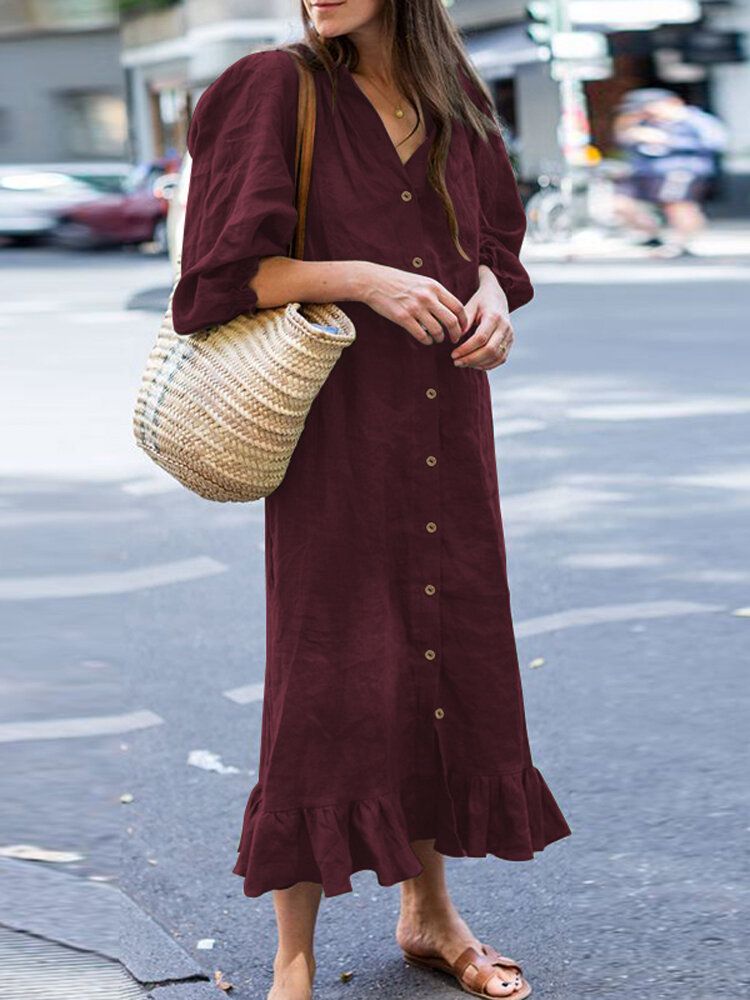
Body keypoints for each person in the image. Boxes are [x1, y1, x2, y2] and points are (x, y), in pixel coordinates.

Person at [171, 2, 571, 997]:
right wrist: (366, 279)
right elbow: (215, 278)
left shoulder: (457, 97)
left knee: (439, 662)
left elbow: (491, 246)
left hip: (443, 423)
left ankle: (430, 915)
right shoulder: (274, 86)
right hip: (334, 430)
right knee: (329, 676)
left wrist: (485, 293)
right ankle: (293, 958)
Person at [613, 88, 727, 256]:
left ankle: (682, 243)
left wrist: (669, 141)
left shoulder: (695, 119)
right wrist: (630, 132)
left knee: (678, 205)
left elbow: (716, 142)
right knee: (621, 204)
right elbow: (625, 142)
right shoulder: (645, 122)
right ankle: (653, 236)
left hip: (681, 170)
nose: (645, 112)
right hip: (645, 172)